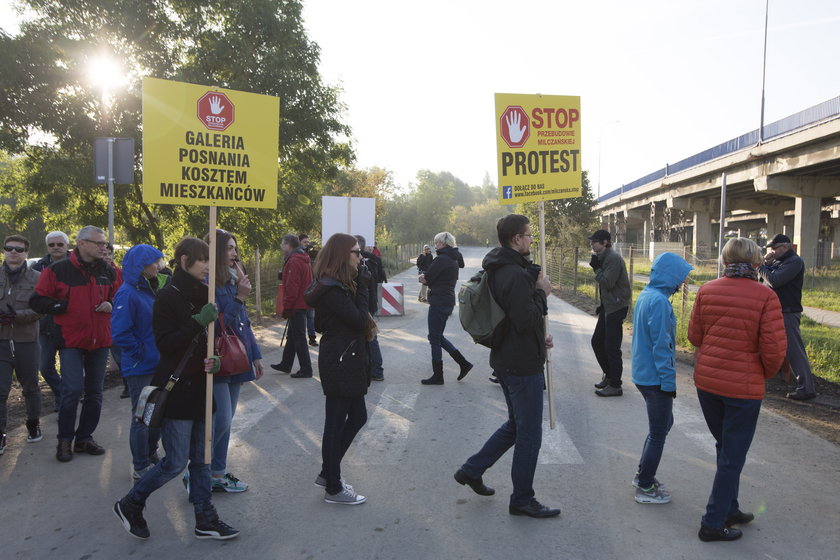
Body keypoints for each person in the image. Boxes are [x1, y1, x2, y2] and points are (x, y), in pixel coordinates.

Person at [113, 236, 239, 541]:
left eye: (210, 259)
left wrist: (215, 359)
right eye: (203, 259)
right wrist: (197, 322)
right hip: (177, 388)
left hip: (201, 386)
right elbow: (167, 345)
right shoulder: (168, 295)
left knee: (202, 459)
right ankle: (131, 503)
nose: (209, 265)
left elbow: (209, 343)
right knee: (174, 461)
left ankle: (205, 518)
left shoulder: (206, 293)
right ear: (184, 260)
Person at [454, 214, 560, 518]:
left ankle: (471, 470)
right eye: (529, 236)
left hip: (512, 356)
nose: (531, 240)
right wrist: (542, 293)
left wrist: (541, 339)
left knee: (516, 426)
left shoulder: (505, 268)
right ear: (516, 239)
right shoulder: (512, 274)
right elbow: (525, 318)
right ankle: (522, 500)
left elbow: (516, 320)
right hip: (520, 365)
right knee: (529, 434)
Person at [689, 237, 786, 542]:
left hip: (708, 383)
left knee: (725, 448)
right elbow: (773, 351)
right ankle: (712, 523)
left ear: (725, 261)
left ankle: (729, 508)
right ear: (757, 262)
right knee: (732, 455)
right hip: (742, 389)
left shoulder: (707, 290)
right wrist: (761, 373)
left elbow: (694, 336)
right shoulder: (766, 296)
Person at [30, 225, 118, 462]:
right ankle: (64, 440)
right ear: (81, 244)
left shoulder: (108, 270)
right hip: (70, 340)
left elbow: (116, 296)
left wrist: (110, 303)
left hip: (100, 340)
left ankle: (84, 438)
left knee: (95, 393)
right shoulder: (58, 270)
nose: (103, 247)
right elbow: (37, 301)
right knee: (71, 391)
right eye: (98, 243)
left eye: (104, 243)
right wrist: (62, 307)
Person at [303, 233, 373, 505]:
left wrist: (362, 284)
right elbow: (359, 320)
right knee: (335, 424)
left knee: (357, 417)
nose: (361, 256)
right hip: (341, 360)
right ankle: (333, 486)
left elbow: (366, 312)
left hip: (347, 357)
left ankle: (327, 471)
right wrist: (364, 287)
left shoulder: (340, 284)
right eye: (356, 252)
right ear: (343, 256)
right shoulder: (331, 289)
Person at [629, 251, 692, 505]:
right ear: (670, 277)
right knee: (659, 432)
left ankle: (643, 475)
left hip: (643, 375)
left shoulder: (647, 295)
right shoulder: (660, 303)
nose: (682, 284)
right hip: (655, 379)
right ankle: (644, 486)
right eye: (680, 278)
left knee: (663, 425)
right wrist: (668, 383)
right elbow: (661, 346)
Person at [207, 229, 263, 492]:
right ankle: (200, 469)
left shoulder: (231, 281)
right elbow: (217, 328)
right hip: (217, 360)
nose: (235, 253)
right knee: (221, 418)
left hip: (237, 359)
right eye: (229, 248)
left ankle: (217, 472)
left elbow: (242, 324)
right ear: (216, 251)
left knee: (226, 420)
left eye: (235, 247)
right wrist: (239, 297)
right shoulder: (208, 284)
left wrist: (256, 355)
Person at [111, 244, 167, 480]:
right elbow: (121, 332)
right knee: (142, 416)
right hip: (141, 367)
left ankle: (151, 453)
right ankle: (140, 464)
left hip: (156, 364)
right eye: (154, 262)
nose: (158, 265)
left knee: (157, 413)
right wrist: (142, 353)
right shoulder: (127, 293)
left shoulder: (149, 289)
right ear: (142, 266)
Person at [758, 234, 816, 400]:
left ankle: (807, 388)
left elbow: (775, 280)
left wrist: (762, 266)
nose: (773, 252)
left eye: (775, 248)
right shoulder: (780, 261)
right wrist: (767, 265)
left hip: (788, 311)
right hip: (777, 310)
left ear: (785, 247)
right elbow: (765, 280)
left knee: (794, 350)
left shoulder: (794, 262)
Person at [0, 235, 43, 455]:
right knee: (1, 390)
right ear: (4, 251)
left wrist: (16, 315)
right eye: (9, 249)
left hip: (27, 340)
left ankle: (33, 423)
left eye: (19, 249)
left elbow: (41, 308)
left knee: (31, 388)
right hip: (2, 343)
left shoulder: (37, 278)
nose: (14, 252)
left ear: (26, 252)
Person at [419, 232, 471, 385]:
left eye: (436, 243)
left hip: (439, 301)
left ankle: (438, 375)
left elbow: (428, 278)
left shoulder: (441, 259)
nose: (435, 246)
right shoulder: (453, 258)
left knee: (434, 338)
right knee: (437, 336)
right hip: (446, 301)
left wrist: (422, 277)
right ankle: (463, 363)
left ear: (443, 243)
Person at [588, 229, 631, 397]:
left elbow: (607, 283)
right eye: (592, 241)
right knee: (597, 342)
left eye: (595, 241)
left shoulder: (612, 258)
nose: (592, 244)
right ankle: (610, 375)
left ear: (605, 242)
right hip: (609, 306)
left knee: (611, 347)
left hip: (617, 307)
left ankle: (615, 385)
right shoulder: (603, 257)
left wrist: (597, 269)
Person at [31, 230, 70, 410]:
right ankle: (62, 394)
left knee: (70, 370)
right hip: (45, 326)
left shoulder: (77, 266)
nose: (55, 248)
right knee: (45, 367)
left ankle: (67, 399)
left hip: (70, 328)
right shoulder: (39, 267)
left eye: (59, 244)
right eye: (51, 245)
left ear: (67, 246)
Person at [271, 234, 313, 378]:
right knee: (293, 335)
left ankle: (306, 368)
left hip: (296, 304)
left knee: (299, 336)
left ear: (288, 245)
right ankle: (286, 363)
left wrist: (287, 307)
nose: (282, 247)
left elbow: (292, 286)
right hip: (302, 302)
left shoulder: (294, 261)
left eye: (283, 244)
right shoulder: (303, 258)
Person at [355, 235, 384, 382]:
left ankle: (376, 370)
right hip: (370, 301)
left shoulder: (360, 260)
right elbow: (380, 279)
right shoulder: (374, 259)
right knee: (370, 336)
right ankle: (373, 369)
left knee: (370, 337)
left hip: (364, 302)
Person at [299, 234, 318, 347]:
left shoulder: (308, 255)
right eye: (304, 242)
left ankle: (312, 337)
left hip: (309, 288)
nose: (307, 244)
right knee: (300, 317)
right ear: (299, 242)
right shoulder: (295, 255)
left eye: (307, 242)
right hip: (301, 290)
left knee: (310, 316)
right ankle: (295, 337)